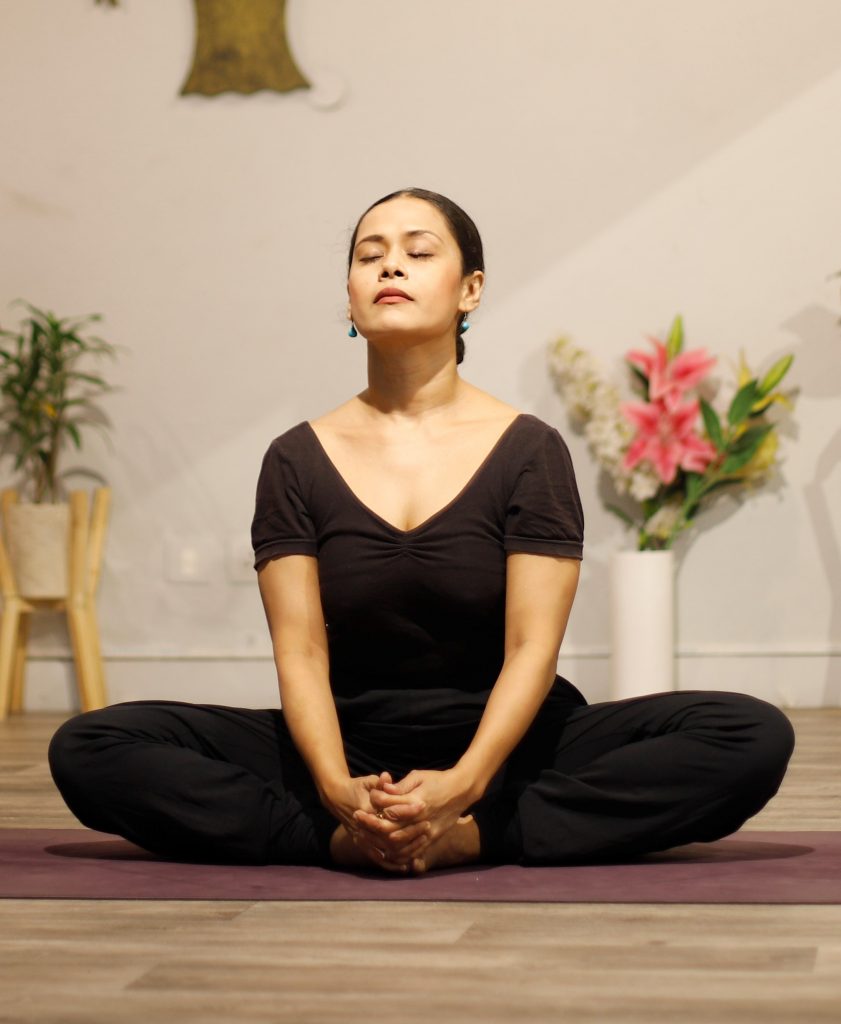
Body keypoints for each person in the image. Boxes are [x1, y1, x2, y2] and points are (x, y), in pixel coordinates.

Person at [48, 188, 795, 873]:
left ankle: (476, 835)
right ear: (348, 296)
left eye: (417, 250)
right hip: (349, 738)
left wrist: (464, 787)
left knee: (747, 734)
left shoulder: (527, 449)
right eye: (368, 255)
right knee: (90, 746)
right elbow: (300, 648)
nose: (389, 267)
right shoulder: (296, 459)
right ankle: (338, 837)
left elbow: (532, 648)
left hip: (511, 744)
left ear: (470, 289)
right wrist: (337, 789)